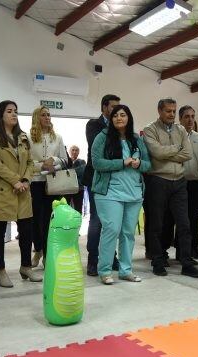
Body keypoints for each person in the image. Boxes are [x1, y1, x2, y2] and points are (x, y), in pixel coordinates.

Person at [0, 100, 41, 288]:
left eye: (15, 111)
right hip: (2, 189)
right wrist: (15, 180)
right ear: (0, 115)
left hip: (22, 190)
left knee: (26, 230)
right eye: (9, 111)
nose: (14, 114)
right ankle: (1, 270)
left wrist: (26, 180)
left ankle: (26, 267)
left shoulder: (22, 136)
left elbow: (30, 162)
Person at [143, 98, 198, 278]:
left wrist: (167, 152)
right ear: (160, 111)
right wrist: (176, 148)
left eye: (173, 111)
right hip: (158, 181)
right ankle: (158, 261)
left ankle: (186, 263)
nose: (171, 114)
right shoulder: (150, 129)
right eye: (168, 111)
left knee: (184, 224)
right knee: (157, 224)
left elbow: (187, 153)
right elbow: (156, 152)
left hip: (179, 182)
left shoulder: (181, 129)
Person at [91, 105, 151, 284]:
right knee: (112, 229)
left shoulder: (136, 139)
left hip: (134, 193)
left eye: (123, 115)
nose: (119, 118)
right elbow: (96, 163)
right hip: (109, 193)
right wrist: (122, 162)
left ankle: (126, 270)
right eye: (115, 115)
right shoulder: (102, 138)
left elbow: (149, 165)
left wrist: (139, 163)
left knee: (127, 233)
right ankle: (105, 270)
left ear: (128, 118)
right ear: (111, 119)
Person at [26, 106, 68, 268]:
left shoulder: (57, 137)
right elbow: (26, 163)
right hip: (35, 182)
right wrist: (41, 166)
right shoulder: (28, 138)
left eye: (49, 115)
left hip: (53, 183)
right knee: (35, 220)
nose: (47, 117)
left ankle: (48, 253)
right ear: (37, 117)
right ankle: (38, 250)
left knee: (50, 220)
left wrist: (54, 163)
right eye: (43, 115)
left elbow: (64, 160)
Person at [84, 94, 120, 276]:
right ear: (104, 108)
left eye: (118, 107)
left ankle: (111, 257)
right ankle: (93, 259)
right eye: (113, 107)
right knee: (97, 220)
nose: (117, 111)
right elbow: (97, 147)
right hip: (96, 180)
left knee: (112, 222)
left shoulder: (120, 126)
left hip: (115, 180)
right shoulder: (93, 125)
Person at [179, 106, 198, 260]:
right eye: (186, 117)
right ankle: (180, 252)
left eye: (192, 116)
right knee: (180, 219)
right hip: (178, 183)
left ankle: (192, 250)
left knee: (194, 219)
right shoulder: (175, 136)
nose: (190, 120)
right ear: (180, 119)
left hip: (195, 183)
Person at [67, 145, 86, 214]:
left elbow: (82, 171)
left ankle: (78, 223)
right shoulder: (66, 162)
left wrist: (69, 172)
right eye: (73, 150)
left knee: (78, 209)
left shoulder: (82, 161)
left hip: (79, 189)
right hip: (67, 189)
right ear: (69, 151)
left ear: (78, 152)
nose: (74, 152)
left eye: (76, 150)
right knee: (66, 208)